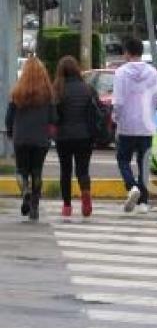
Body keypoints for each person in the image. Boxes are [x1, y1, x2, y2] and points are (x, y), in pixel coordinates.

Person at [112, 37, 157, 214]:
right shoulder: (153, 72)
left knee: (123, 159)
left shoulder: (121, 73)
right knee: (144, 163)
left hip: (127, 125)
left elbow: (118, 102)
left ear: (126, 52)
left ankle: (131, 186)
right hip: (146, 125)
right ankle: (143, 202)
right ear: (141, 52)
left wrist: (116, 119)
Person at [4, 57, 56, 222]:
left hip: (21, 137)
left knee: (21, 170)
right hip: (40, 138)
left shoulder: (17, 92)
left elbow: (9, 118)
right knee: (37, 171)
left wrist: (11, 132)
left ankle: (25, 190)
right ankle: (35, 207)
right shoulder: (48, 94)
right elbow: (53, 117)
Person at [53, 55, 97, 218]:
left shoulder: (58, 89)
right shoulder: (88, 89)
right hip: (85, 136)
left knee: (65, 172)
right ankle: (85, 197)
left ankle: (67, 206)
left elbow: (54, 116)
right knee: (83, 170)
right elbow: (95, 112)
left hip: (63, 137)